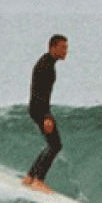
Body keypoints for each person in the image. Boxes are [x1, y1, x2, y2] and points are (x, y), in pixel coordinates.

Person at [24, 34, 68, 192]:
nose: (66, 51)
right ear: (52, 47)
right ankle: (38, 181)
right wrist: (45, 117)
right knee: (55, 145)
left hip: (37, 108)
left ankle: (30, 177)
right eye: (62, 47)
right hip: (39, 108)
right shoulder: (45, 65)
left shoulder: (47, 62)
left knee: (52, 144)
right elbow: (40, 93)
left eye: (66, 47)